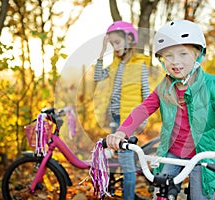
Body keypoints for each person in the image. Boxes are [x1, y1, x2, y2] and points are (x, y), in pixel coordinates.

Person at [105, 19, 215, 199]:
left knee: (199, 194)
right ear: (162, 60)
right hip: (174, 152)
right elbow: (143, 109)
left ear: (197, 53)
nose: (175, 62)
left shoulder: (213, 85)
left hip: (203, 154)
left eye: (183, 53)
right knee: (162, 190)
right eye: (168, 56)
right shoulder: (164, 88)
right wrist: (122, 132)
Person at [94, 21, 151, 200]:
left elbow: (147, 94)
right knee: (114, 159)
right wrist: (102, 52)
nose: (115, 47)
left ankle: (128, 198)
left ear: (129, 40)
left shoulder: (140, 64)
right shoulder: (115, 65)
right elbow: (97, 77)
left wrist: (142, 120)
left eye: (117, 43)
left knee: (126, 164)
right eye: (112, 44)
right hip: (115, 119)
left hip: (129, 121)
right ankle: (113, 192)